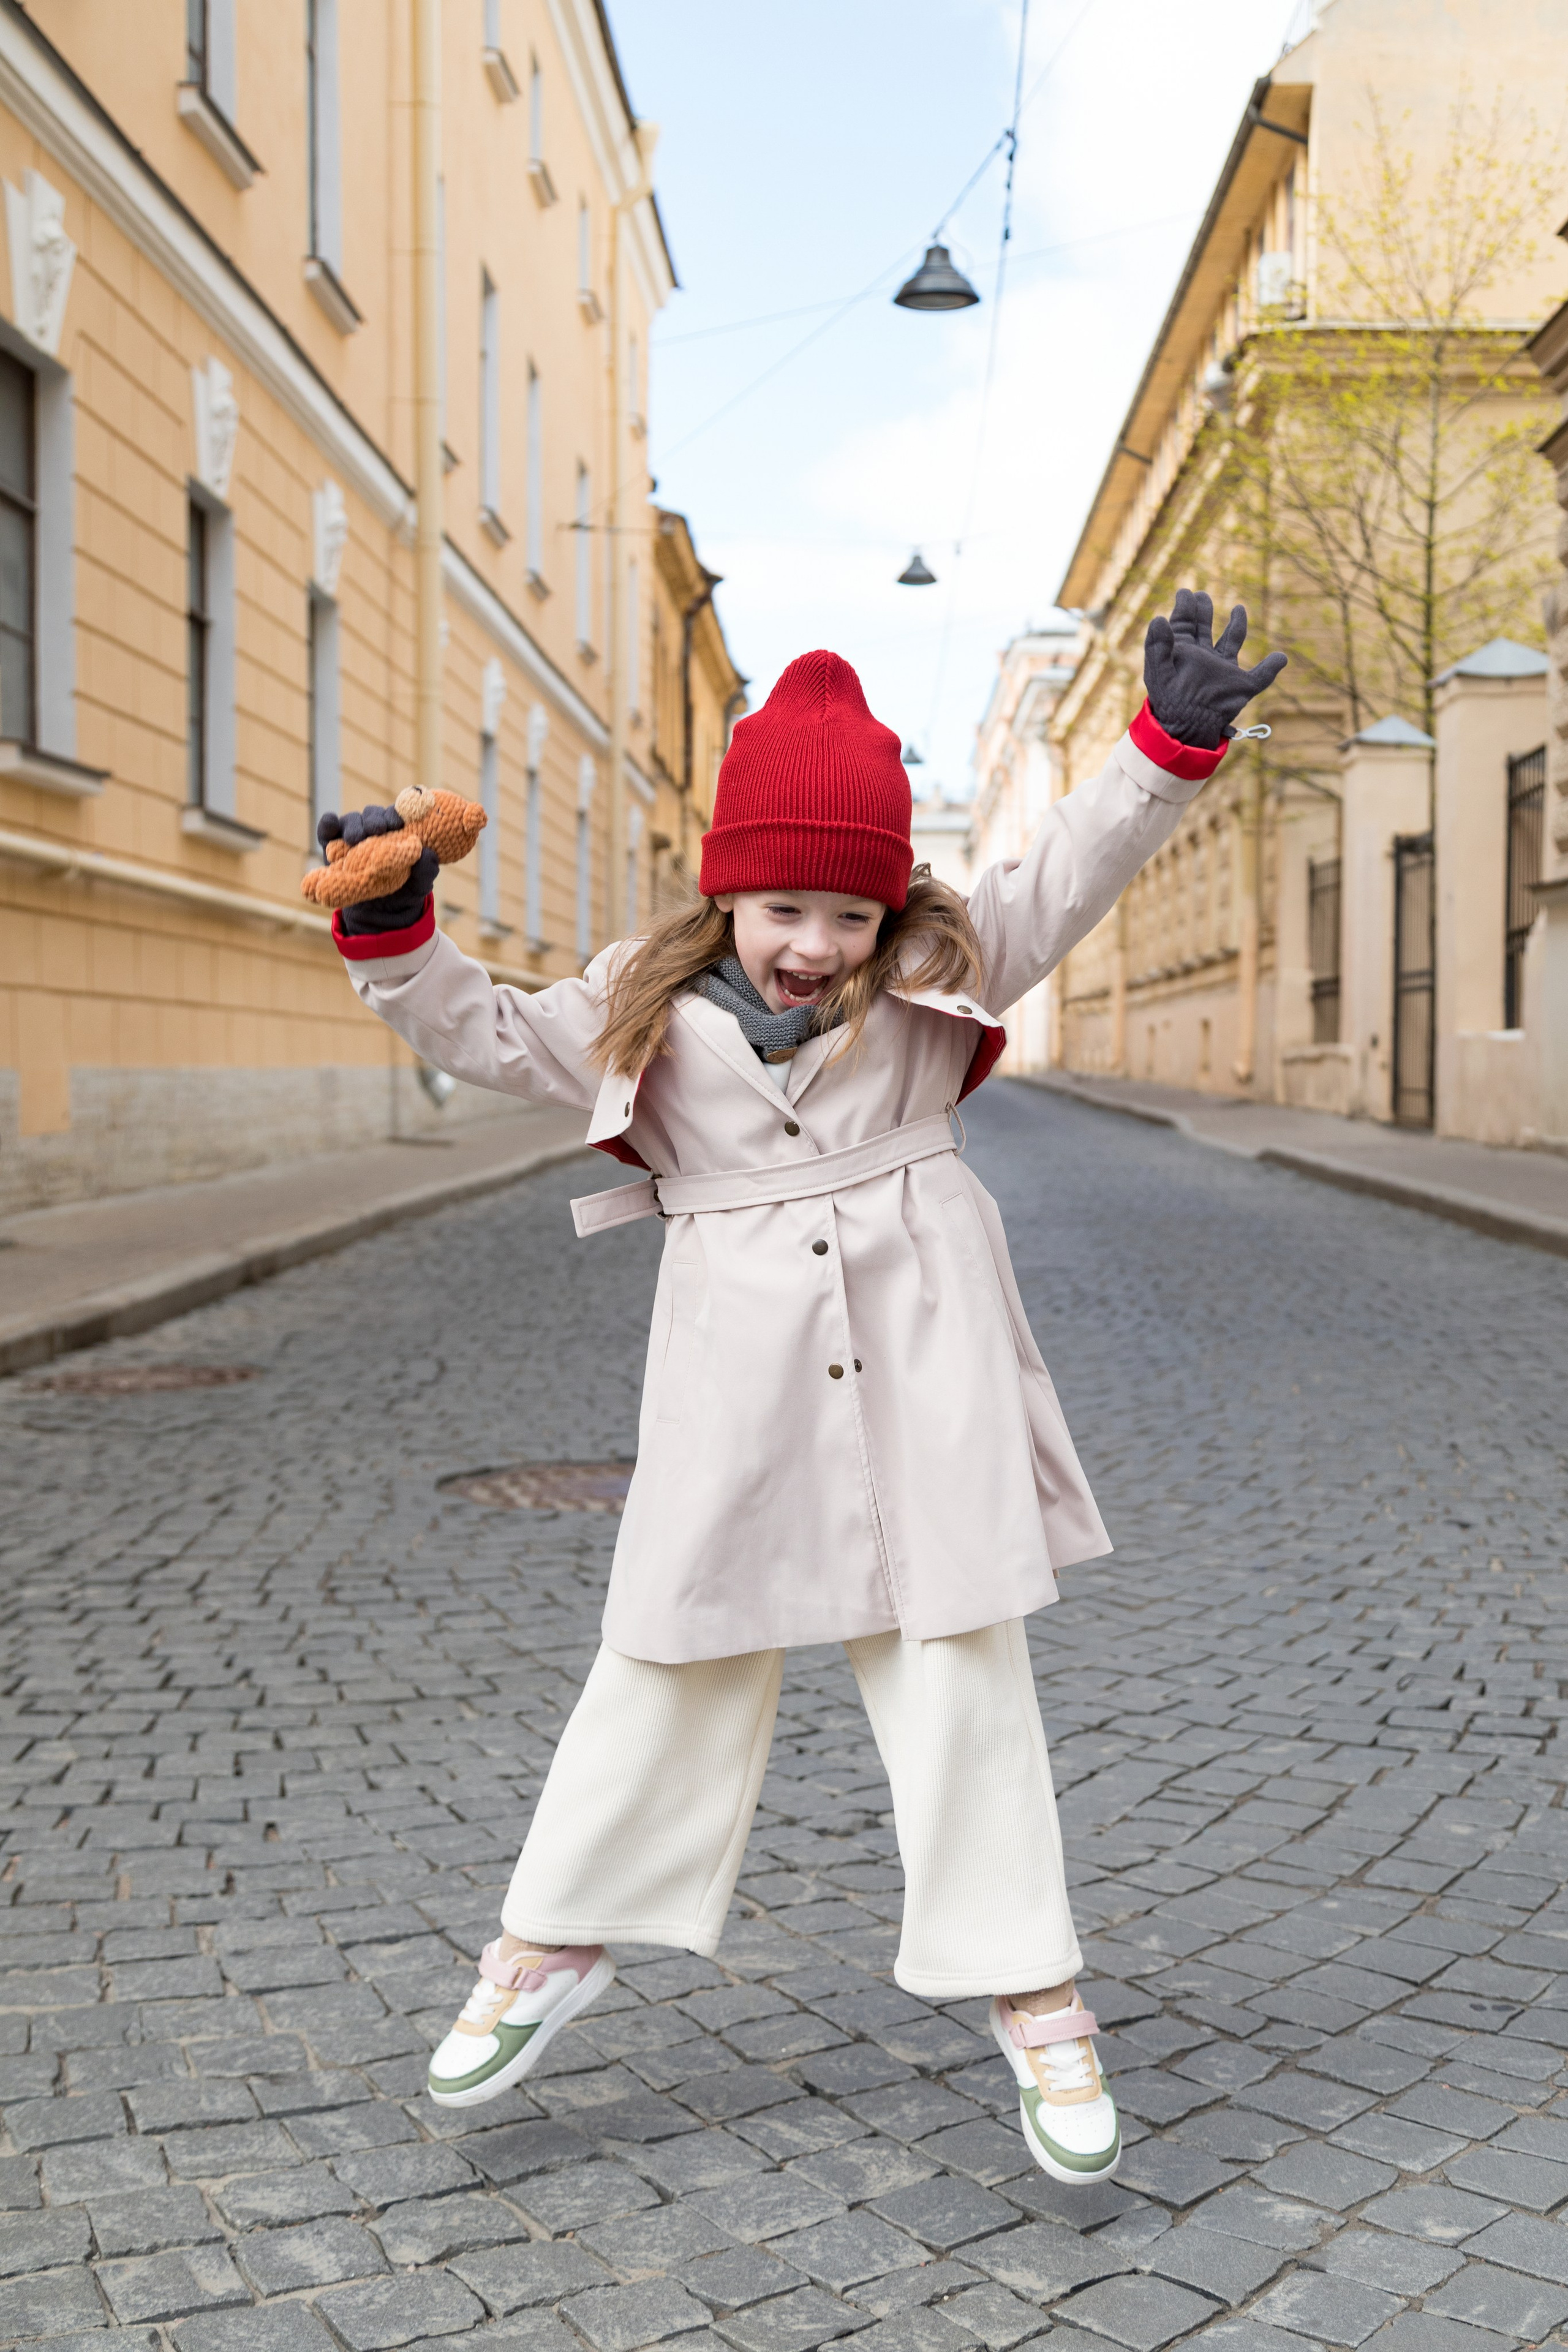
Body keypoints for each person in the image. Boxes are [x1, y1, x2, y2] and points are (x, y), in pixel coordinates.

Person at [323, 589, 1285, 2185]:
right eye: (784, 907)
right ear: (727, 891)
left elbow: (1066, 870)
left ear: (887, 904)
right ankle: (552, 1943)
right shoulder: (638, 998)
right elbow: (488, 1032)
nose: (816, 945)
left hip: (926, 1360)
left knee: (961, 1658)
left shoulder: (943, 965)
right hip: (737, 1371)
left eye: (848, 913)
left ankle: (1035, 1994)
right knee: (671, 1642)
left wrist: (1163, 751)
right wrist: (397, 930)